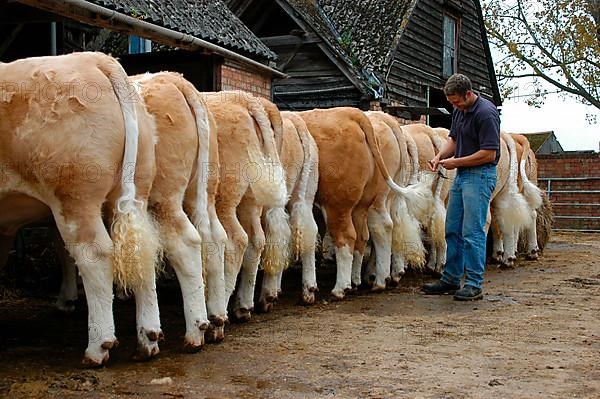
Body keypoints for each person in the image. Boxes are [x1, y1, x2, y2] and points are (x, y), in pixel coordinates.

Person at [422, 74, 500, 300]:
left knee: (472, 231)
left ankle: (474, 284)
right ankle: (451, 278)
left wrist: (455, 162)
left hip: (480, 175)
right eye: (451, 103)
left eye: (456, 101)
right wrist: (439, 156)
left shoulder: (486, 114)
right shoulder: (460, 110)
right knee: (452, 227)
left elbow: (489, 153)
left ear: (468, 94)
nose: (454, 106)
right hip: (463, 175)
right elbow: (454, 140)